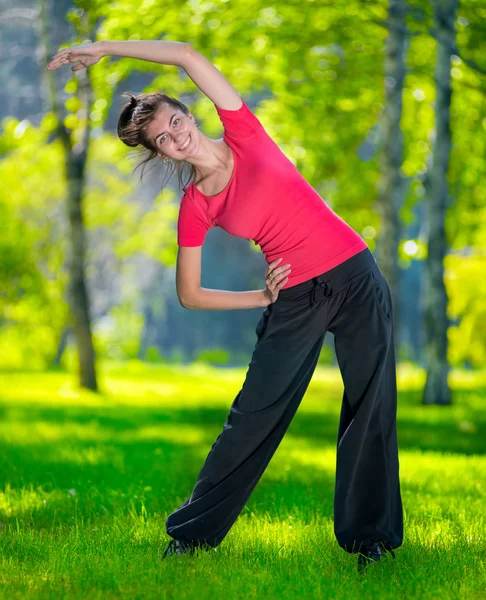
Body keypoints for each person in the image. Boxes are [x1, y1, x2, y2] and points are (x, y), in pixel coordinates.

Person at [47, 39, 404, 572]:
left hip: (355, 272)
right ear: (159, 152)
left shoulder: (244, 131)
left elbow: (187, 55)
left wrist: (104, 48)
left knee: (371, 405)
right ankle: (191, 535)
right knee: (252, 418)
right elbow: (188, 295)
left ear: (188, 113)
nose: (175, 137)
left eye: (174, 122)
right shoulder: (196, 205)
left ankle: (370, 541)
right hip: (296, 297)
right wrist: (260, 297)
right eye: (162, 140)